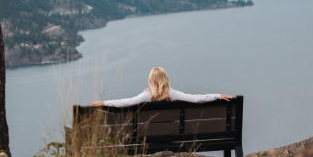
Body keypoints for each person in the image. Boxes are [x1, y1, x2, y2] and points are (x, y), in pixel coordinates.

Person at [91, 66, 232, 106]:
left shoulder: (146, 96)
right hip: (173, 134)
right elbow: (196, 99)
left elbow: (127, 102)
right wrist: (218, 96)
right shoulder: (172, 94)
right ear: (166, 79)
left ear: (151, 80)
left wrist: (105, 102)